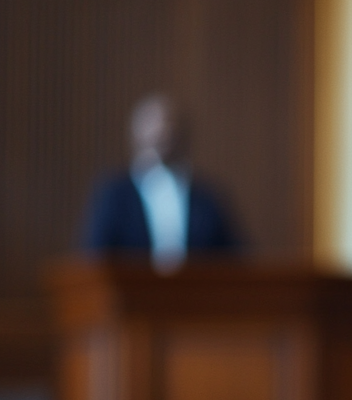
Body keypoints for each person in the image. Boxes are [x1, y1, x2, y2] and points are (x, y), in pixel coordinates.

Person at [82, 93, 241, 270]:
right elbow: (92, 258)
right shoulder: (114, 193)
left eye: (170, 124)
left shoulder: (207, 196)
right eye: (153, 125)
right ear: (136, 134)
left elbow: (238, 257)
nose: (163, 132)